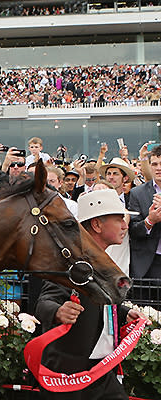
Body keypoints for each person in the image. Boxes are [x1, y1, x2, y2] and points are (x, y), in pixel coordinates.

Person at [35, 189, 145, 400]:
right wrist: (58, 311)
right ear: (97, 225)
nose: (125, 225)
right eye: (119, 218)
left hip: (102, 371)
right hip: (68, 375)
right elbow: (43, 303)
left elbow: (100, 303)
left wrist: (124, 314)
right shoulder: (70, 263)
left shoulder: (104, 261)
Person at [129, 145, 161, 279]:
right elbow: (133, 231)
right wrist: (150, 221)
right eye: (154, 164)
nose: (159, 168)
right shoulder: (137, 193)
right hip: (148, 264)